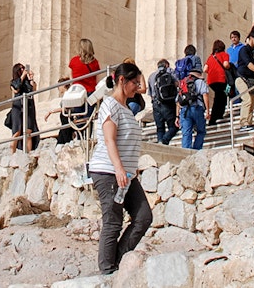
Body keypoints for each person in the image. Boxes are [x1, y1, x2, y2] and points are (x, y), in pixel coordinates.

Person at [89, 63, 152, 275]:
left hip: (126, 174)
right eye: (135, 82)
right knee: (113, 221)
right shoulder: (110, 105)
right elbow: (109, 140)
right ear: (122, 81)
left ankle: (116, 261)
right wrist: (118, 169)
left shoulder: (125, 107)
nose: (138, 87)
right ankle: (108, 269)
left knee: (144, 216)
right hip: (108, 171)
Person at [236, 31, 254, 130]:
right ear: (250, 38)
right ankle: (243, 123)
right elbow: (248, 64)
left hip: (250, 80)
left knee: (252, 102)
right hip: (242, 78)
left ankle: (249, 122)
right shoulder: (243, 50)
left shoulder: (253, 53)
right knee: (247, 100)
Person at [9, 63, 40, 152]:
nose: (23, 69)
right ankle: (12, 154)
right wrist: (22, 77)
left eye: (23, 68)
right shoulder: (13, 82)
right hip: (18, 107)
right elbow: (16, 89)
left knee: (28, 131)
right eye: (20, 68)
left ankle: (28, 154)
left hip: (29, 106)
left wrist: (31, 79)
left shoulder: (27, 82)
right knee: (17, 131)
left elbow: (33, 90)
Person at [178, 65, 210, 150]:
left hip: (184, 109)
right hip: (197, 108)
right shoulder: (200, 82)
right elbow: (205, 95)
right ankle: (196, 150)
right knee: (201, 131)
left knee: (186, 132)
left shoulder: (183, 82)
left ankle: (186, 151)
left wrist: (177, 115)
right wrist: (207, 110)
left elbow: (178, 100)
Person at [148, 59, 179, 145]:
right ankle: (164, 140)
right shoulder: (170, 72)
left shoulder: (151, 76)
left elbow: (150, 93)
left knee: (160, 128)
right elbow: (177, 84)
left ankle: (160, 143)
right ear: (166, 65)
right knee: (174, 126)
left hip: (156, 104)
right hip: (168, 104)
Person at [44, 76, 78, 145]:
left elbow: (66, 108)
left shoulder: (68, 94)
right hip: (64, 119)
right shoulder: (66, 94)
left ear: (64, 85)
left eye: (59, 86)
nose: (58, 88)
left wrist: (51, 111)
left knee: (65, 140)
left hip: (66, 118)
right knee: (61, 140)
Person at [204, 39, 230, 126]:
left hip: (211, 80)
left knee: (221, 96)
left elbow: (205, 69)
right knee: (219, 98)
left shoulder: (211, 57)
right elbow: (226, 65)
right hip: (220, 79)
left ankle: (219, 114)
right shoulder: (224, 55)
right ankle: (213, 119)